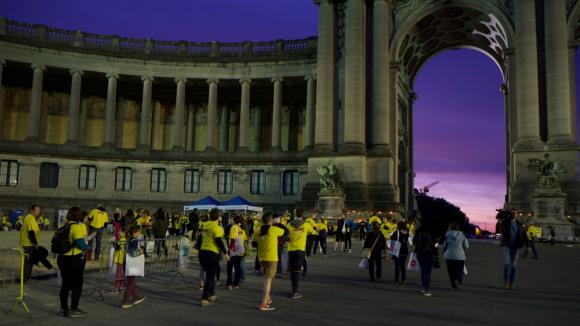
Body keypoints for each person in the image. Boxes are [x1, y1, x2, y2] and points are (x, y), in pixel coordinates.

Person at [58, 207, 89, 318]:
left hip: (62, 258)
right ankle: (74, 309)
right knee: (77, 285)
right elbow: (80, 243)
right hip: (73, 258)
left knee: (65, 285)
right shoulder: (77, 227)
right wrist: (87, 247)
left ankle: (63, 308)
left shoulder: (64, 225)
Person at [256, 212, 287, 311]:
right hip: (272, 258)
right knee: (268, 280)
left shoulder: (257, 230)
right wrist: (278, 223)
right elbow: (286, 231)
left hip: (262, 257)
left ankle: (267, 298)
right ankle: (264, 304)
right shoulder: (274, 229)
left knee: (266, 279)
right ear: (271, 220)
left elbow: (254, 243)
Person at [198, 208, 229, 306]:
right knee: (210, 277)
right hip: (212, 254)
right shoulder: (217, 228)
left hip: (202, 253)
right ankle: (204, 299)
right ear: (219, 217)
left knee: (209, 275)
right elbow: (219, 241)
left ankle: (212, 295)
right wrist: (225, 253)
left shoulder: (204, 225)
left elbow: (201, 237)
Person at [286, 208, 314, 299]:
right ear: (302, 214)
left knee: (292, 271)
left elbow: (286, 236)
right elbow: (313, 232)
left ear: (294, 214)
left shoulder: (289, 225)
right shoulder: (306, 225)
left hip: (291, 250)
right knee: (297, 272)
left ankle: (294, 289)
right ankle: (295, 292)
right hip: (300, 250)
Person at [121, 225, 147, 309]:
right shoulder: (134, 241)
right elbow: (132, 253)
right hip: (132, 263)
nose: (139, 233)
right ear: (134, 233)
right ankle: (125, 301)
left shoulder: (128, 239)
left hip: (126, 262)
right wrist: (140, 253)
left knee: (131, 280)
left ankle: (135, 296)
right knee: (130, 282)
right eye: (138, 232)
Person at [499, 211, 525, 290]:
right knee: (507, 263)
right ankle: (505, 282)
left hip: (515, 246)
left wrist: (528, 245)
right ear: (510, 214)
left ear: (517, 215)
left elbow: (524, 234)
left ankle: (511, 283)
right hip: (506, 245)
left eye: (515, 213)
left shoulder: (519, 224)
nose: (514, 214)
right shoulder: (505, 222)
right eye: (512, 213)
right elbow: (501, 228)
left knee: (513, 265)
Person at [442, 221, 469, 290]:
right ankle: (458, 283)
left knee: (451, 271)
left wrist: (445, 250)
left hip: (449, 255)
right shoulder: (462, 234)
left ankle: (453, 285)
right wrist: (463, 250)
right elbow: (466, 246)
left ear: (450, 227)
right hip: (460, 256)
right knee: (459, 270)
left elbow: (444, 245)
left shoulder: (447, 234)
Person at [20, 205, 42, 283]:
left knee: (29, 262)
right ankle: (24, 280)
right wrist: (35, 244)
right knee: (28, 263)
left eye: (39, 211)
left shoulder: (31, 218)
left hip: (29, 244)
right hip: (29, 244)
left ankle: (25, 279)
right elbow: (31, 233)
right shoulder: (30, 218)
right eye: (37, 211)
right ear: (32, 211)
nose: (39, 212)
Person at [414, 224, 437, 297]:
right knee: (428, 272)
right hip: (430, 253)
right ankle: (427, 290)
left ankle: (423, 287)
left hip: (420, 253)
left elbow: (414, 242)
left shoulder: (418, 232)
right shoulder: (433, 232)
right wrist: (435, 247)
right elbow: (436, 243)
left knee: (423, 270)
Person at [226, 214, 247, 290]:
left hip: (233, 250)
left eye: (231, 219)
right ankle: (236, 283)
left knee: (229, 267)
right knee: (237, 267)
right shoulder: (241, 229)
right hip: (241, 250)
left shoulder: (233, 227)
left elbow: (233, 239)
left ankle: (229, 284)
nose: (230, 220)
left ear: (234, 220)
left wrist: (229, 249)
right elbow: (245, 240)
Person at [112, 226, 127, 293]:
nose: (118, 232)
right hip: (121, 258)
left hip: (120, 258)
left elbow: (118, 247)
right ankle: (122, 286)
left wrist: (113, 242)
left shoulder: (123, 239)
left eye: (120, 231)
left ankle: (117, 287)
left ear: (124, 233)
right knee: (121, 273)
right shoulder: (122, 239)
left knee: (119, 274)